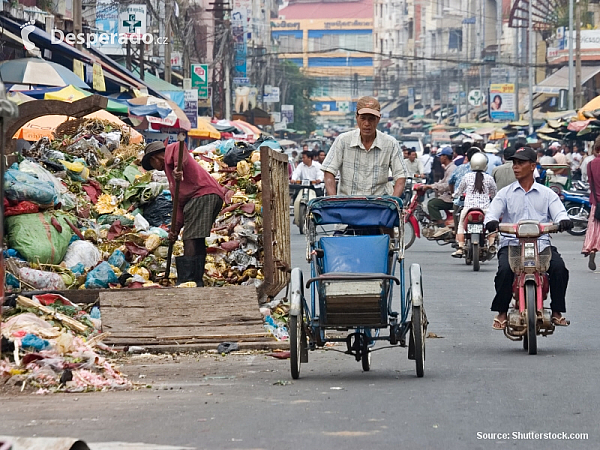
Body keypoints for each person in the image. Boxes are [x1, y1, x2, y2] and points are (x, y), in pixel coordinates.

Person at [484, 147, 573, 330]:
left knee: (559, 269)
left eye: (521, 163)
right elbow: (492, 213)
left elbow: (559, 213)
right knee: (504, 272)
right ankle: (501, 312)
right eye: (514, 163)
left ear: (533, 166)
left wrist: (563, 221)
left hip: (541, 245)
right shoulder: (505, 193)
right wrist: (491, 221)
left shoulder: (547, 194)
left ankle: (557, 311)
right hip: (512, 244)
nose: (516, 167)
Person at [142, 141, 225, 287]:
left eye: (152, 165)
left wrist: (177, 167)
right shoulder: (171, 179)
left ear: (154, 158)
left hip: (203, 194)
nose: (156, 169)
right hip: (208, 196)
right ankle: (196, 280)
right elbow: (178, 206)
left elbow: (179, 148)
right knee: (197, 238)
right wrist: (174, 229)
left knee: (190, 238)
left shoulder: (171, 154)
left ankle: (187, 280)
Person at [321, 96, 407, 197]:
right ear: (356, 117)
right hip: (348, 204)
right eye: (363, 118)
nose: (367, 124)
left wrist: (394, 203)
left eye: (371, 119)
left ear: (378, 119)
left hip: (379, 206)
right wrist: (334, 201)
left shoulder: (391, 144)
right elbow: (329, 171)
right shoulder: (343, 141)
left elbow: (401, 176)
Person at [451, 152, 497, 258]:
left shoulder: (467, 177)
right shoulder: (489, 178)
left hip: (468, 208)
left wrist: (454, 195)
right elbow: (494, 192)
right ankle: (491, 244)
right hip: (485, 209)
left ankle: (461, 247)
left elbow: (459, 191)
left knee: (461, 225)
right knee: (492, 227)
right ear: (485, 165)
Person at [420, 146, 456, 237]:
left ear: (445, 157)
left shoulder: (451, 169)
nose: (440, 158)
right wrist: (431, 185)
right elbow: (443, 182)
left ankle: (442, 227)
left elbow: (447, 185)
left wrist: (431, 186)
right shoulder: (448, 168)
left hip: (450, 197)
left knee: (432, 204)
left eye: (441, 156)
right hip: (447, 195)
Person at [582, 137, 600, 271]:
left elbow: (589, 181)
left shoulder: (590, 164)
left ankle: (592, 248)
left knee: (594, 229)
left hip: (596, 202)